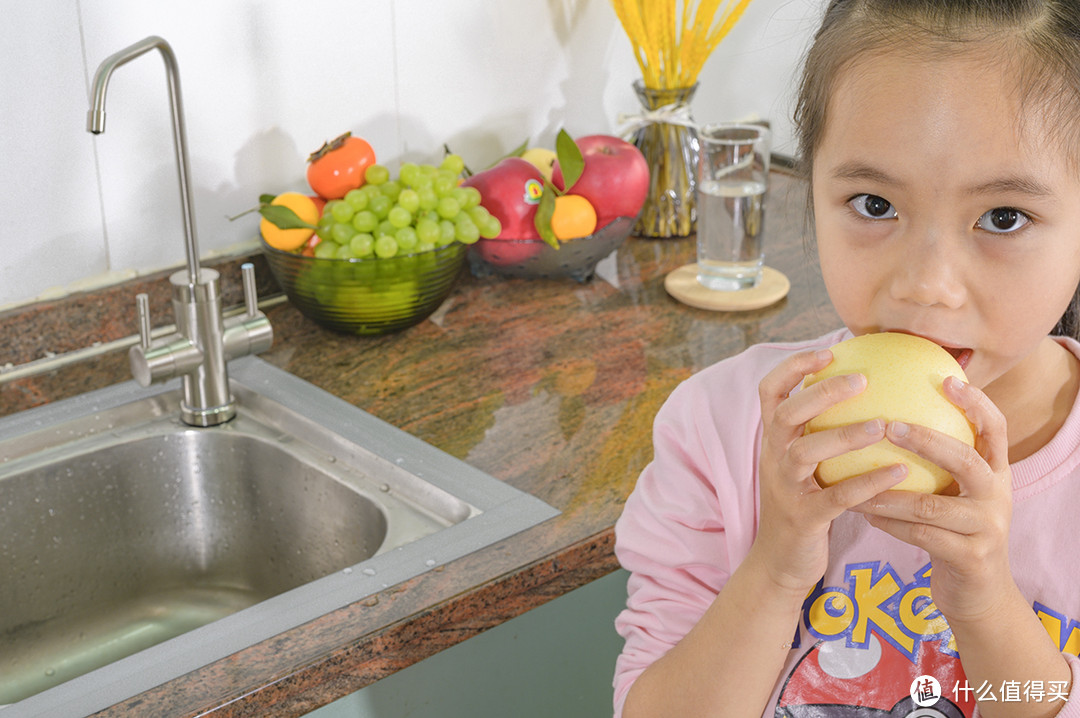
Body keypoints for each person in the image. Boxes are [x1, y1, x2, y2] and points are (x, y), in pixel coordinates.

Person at [612, 1, 1080, 716]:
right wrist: (774, 567)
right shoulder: (720, 425)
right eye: (873, 203)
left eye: (1003, 218)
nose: (924, 285)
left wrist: (985, 604)